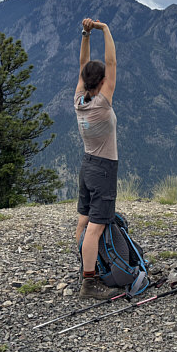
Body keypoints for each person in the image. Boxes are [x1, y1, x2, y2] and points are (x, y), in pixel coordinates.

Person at [73, 17, 124, 299]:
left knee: (83, 221)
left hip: (86, 166)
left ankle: (84, 267)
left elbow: (83, 67)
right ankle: (89, 283)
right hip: (104, 169)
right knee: (96, 226)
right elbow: (112, 63)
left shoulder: (79, 101)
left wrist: (85, 34)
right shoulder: (103, 105)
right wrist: (104, 29)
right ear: (103, 81)